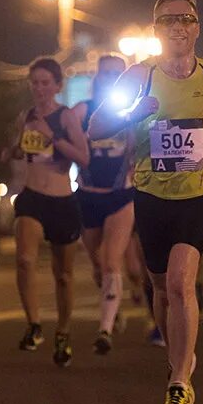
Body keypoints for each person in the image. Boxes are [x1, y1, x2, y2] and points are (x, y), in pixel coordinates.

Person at [89, 0, 203, 404]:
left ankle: (180, 381)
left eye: (187, 19)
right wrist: (133, 114)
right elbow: (95, 128)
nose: (179, 26)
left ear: (198, 27)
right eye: (169, 20)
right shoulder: (138, 77)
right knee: (160, 287)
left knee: (180, 282)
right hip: (152, 195)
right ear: (156, 29)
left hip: (199, 195)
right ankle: (178, 356)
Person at [10, 58, 89, 367]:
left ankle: (63, 332)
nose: (39, 88)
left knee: (64, 276)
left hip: (61, 200)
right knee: (25, 259)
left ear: (57, 86)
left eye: (46, 82)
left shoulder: (66, 117)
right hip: (31, 197)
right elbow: (23, 149)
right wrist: (13, 150)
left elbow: (83, 157)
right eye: (35, 82)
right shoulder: (25, 116)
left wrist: (52, 137)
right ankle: (34, 325)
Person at [71, 54, 136, 355]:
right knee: (98, 265)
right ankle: (114, 306)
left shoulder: (132, 109)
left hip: (121, 196)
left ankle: (105, 330)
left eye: (117, 73)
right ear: (97, 76)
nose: (111, 78)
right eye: (106, 73)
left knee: (112, 259)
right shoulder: (82, 111)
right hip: (88, 195)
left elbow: (140, 147)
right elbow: (61, 134)